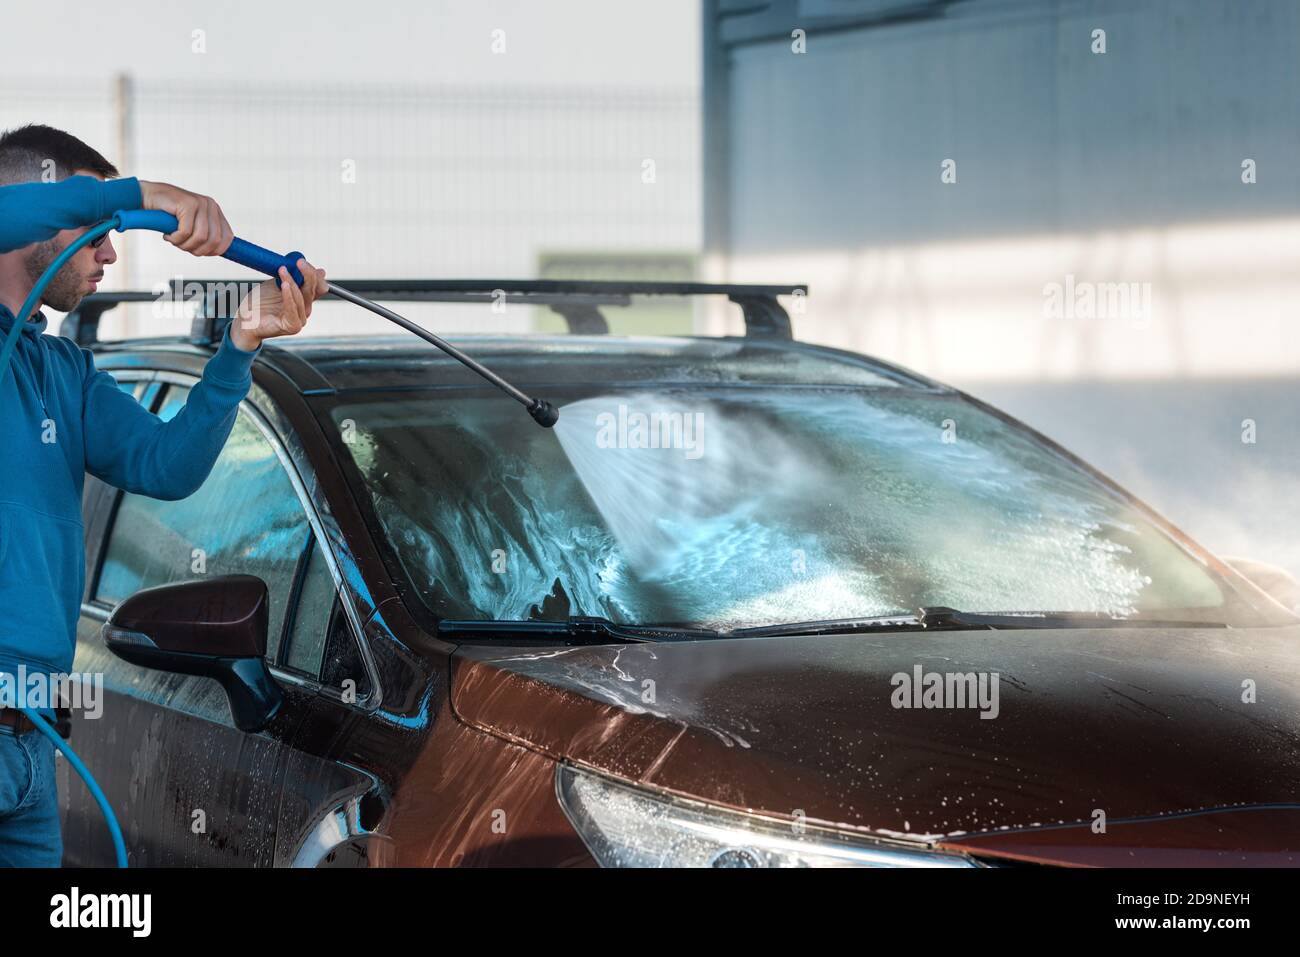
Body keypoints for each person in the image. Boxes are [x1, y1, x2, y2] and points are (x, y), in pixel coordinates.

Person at [0, 124, 327, 866]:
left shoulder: (62, 369)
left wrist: (239, 345)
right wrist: (144, 197)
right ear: (36, 216)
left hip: (31, 748)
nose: (111, 251)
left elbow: (167, 465)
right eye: (97, 231)